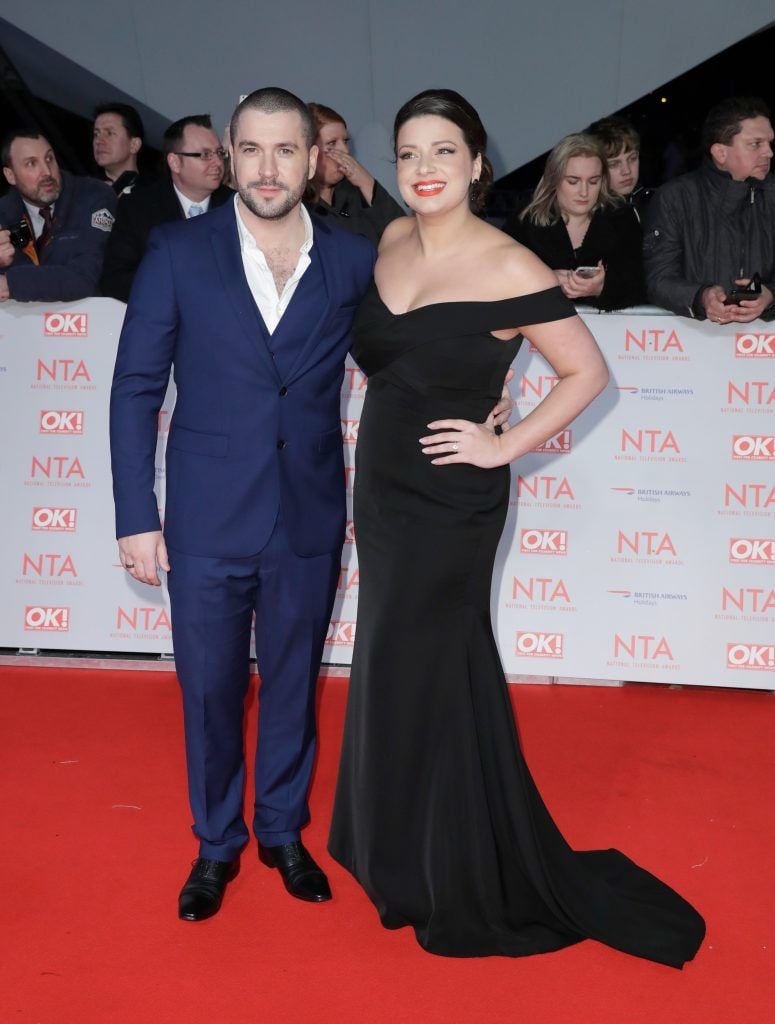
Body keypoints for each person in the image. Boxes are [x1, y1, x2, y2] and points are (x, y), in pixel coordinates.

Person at [328, 88, 705, 967]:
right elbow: (398, 359)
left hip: (454, 499)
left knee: (440, 662)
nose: (423, 169)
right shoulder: (389, 241)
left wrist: (504, 445)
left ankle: (454, 864)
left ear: (475, 163)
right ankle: (390, 844)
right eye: (409, 152)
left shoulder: (510, 267)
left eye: (442, 153)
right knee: (390, 657)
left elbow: (586, 373)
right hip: (382, 489)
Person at [643, 96, 775, 324]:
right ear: (720, 153)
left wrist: (770, 294)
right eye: (756, 144)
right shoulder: (675, 198)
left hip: (765, 349)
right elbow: (658, 279)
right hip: (689, 346)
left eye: (770, 143)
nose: (769, 153)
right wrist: (701, 297)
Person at [504, 133, 646, 311]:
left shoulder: (622, 218)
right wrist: (543, 281)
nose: (584, 192)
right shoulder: (525, 220)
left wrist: (603, 288)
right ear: (554, 179)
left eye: (593, 181)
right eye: (573, 181)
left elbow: (644, 283)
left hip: (611, 335)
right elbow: (497, 279)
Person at [100, 114, 232, 302]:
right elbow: (115, 279)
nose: (218, 163)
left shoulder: (236, 206)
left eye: (219, 153)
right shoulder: (138, 207)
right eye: (205, 155)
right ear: (175, 162)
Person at [0, 130, 115, 302]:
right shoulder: (3, 213)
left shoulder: (94, 196)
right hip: (20, 325)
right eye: (31, 164)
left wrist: (11, 283)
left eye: (49, 158)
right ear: (10, 176)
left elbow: (84, 277)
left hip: (87, 323)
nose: (46, 172)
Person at [305, 102, 403, 246]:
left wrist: (366, 182)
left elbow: (403, 236)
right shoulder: (295, 206)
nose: (344, 150)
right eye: (332, 143)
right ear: (309, 152)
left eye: (345, 141)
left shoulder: (356, 192)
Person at [587, 115, 654, 221]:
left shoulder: (658, 203)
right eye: (614, 164)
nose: (627, 171)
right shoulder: (586, 219)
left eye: (632, 158)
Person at [93, 103, 144, 197]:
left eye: (109, 133)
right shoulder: (82, 191)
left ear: (134, 145)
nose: (98, 141)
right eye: (96, 134)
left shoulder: (155, 195)